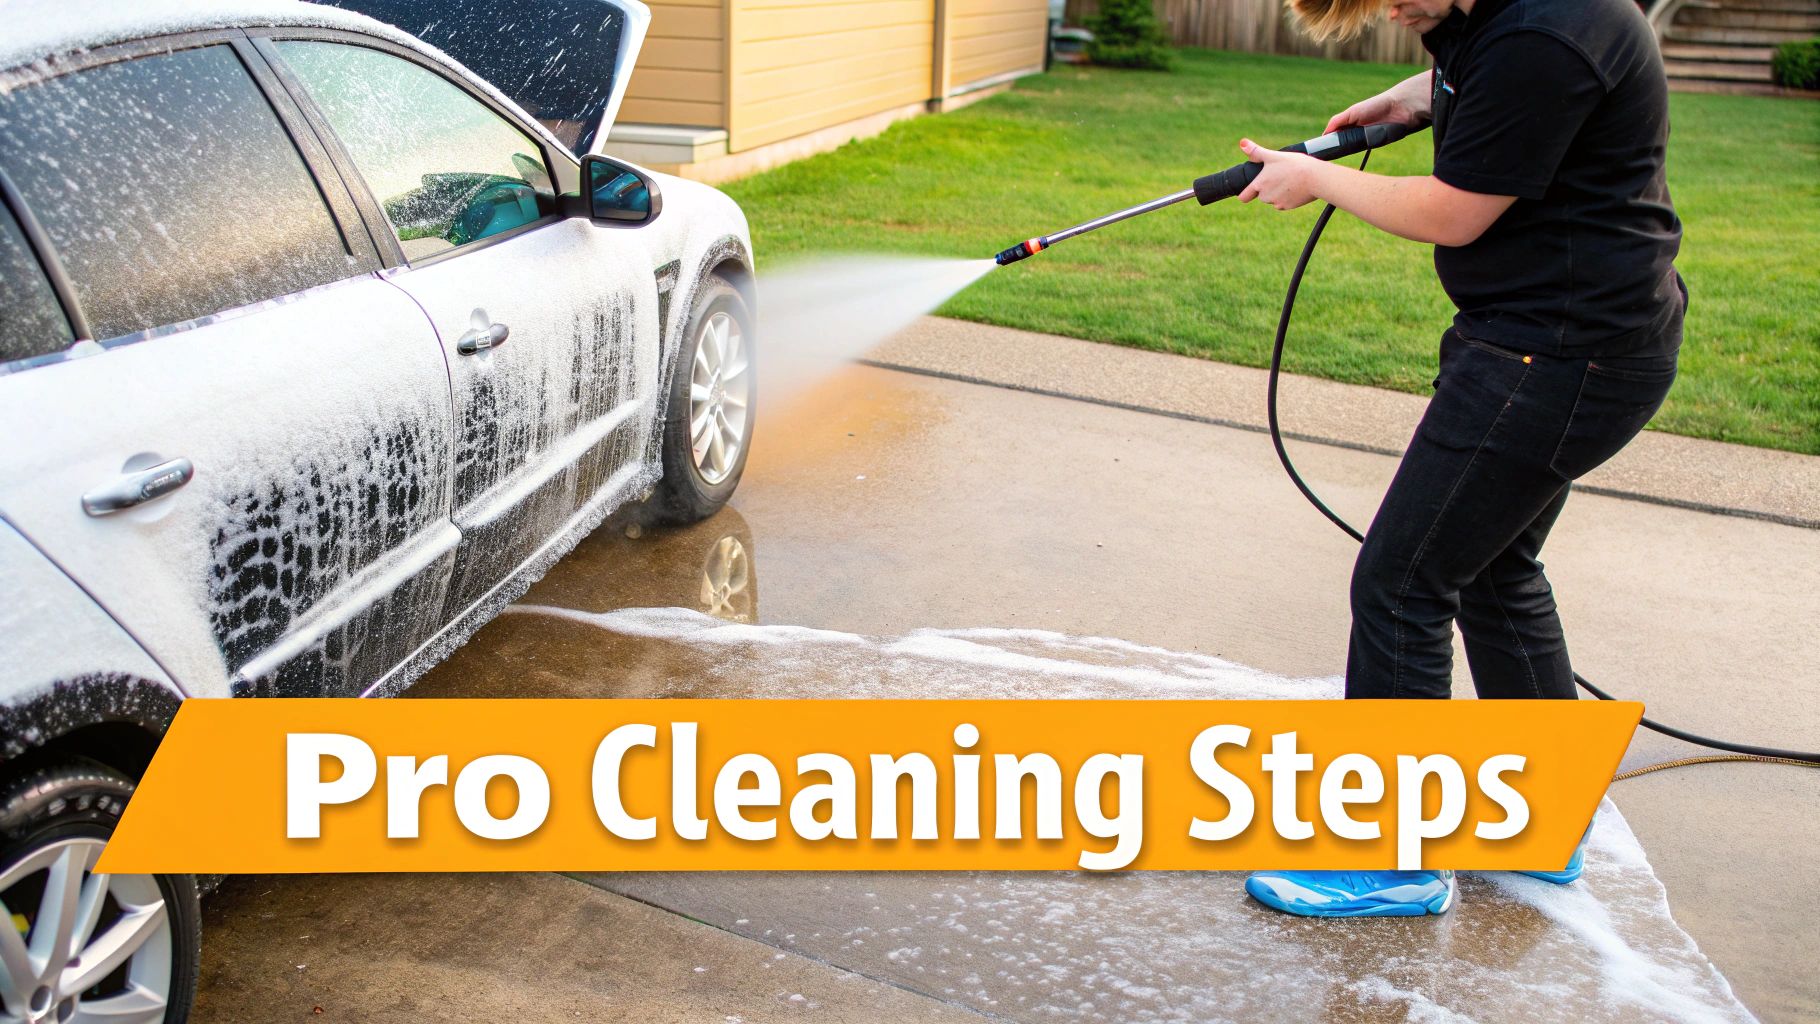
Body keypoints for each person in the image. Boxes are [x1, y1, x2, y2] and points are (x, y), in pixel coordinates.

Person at [1238, 0, 1685, 916]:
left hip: (1551, 358)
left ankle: (1388, 859)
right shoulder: (1525, 15)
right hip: (1583, 340)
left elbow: (1453, 213)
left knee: (1402, 582)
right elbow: (1503, 76)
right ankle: (1547, 818)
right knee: (1492, 568)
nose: (1391, 10)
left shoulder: (1543, 35)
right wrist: (1415, 95)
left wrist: (1318, 179)